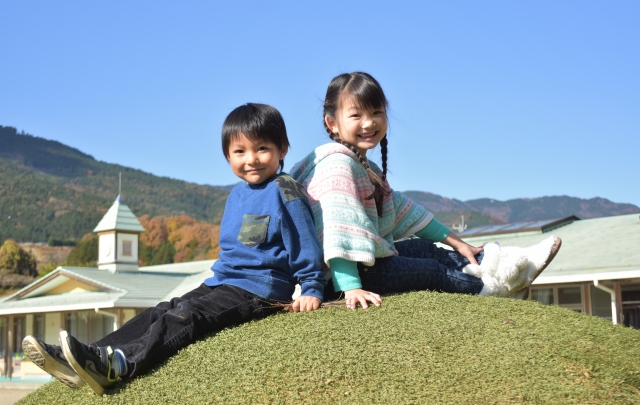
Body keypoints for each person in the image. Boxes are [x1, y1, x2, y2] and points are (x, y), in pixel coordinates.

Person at [22, 103, 326, 395]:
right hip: (222, 282)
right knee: (163, 309)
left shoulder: (284, 189)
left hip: (259, 290)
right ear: (227, 156)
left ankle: (120, 364)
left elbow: (304, 240)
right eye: (239, 151)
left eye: (262, 148)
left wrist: (312, 287)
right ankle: (89, 355)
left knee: (188, 314)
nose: (251, 159)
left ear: (282, 148)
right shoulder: (237, 194)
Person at [290, 72, 561, 310]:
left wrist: (458, 242)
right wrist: (351, 287)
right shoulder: (337, 167)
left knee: (423, 248)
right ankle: (495, 289)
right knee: (430, 269)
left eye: (376, 112)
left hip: (359, 267)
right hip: (338, 279)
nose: (369, 122)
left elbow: (405, 211)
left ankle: (503, 263)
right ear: (332, 123)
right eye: (356, 115)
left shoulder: (360, 165)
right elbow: (340, 231)